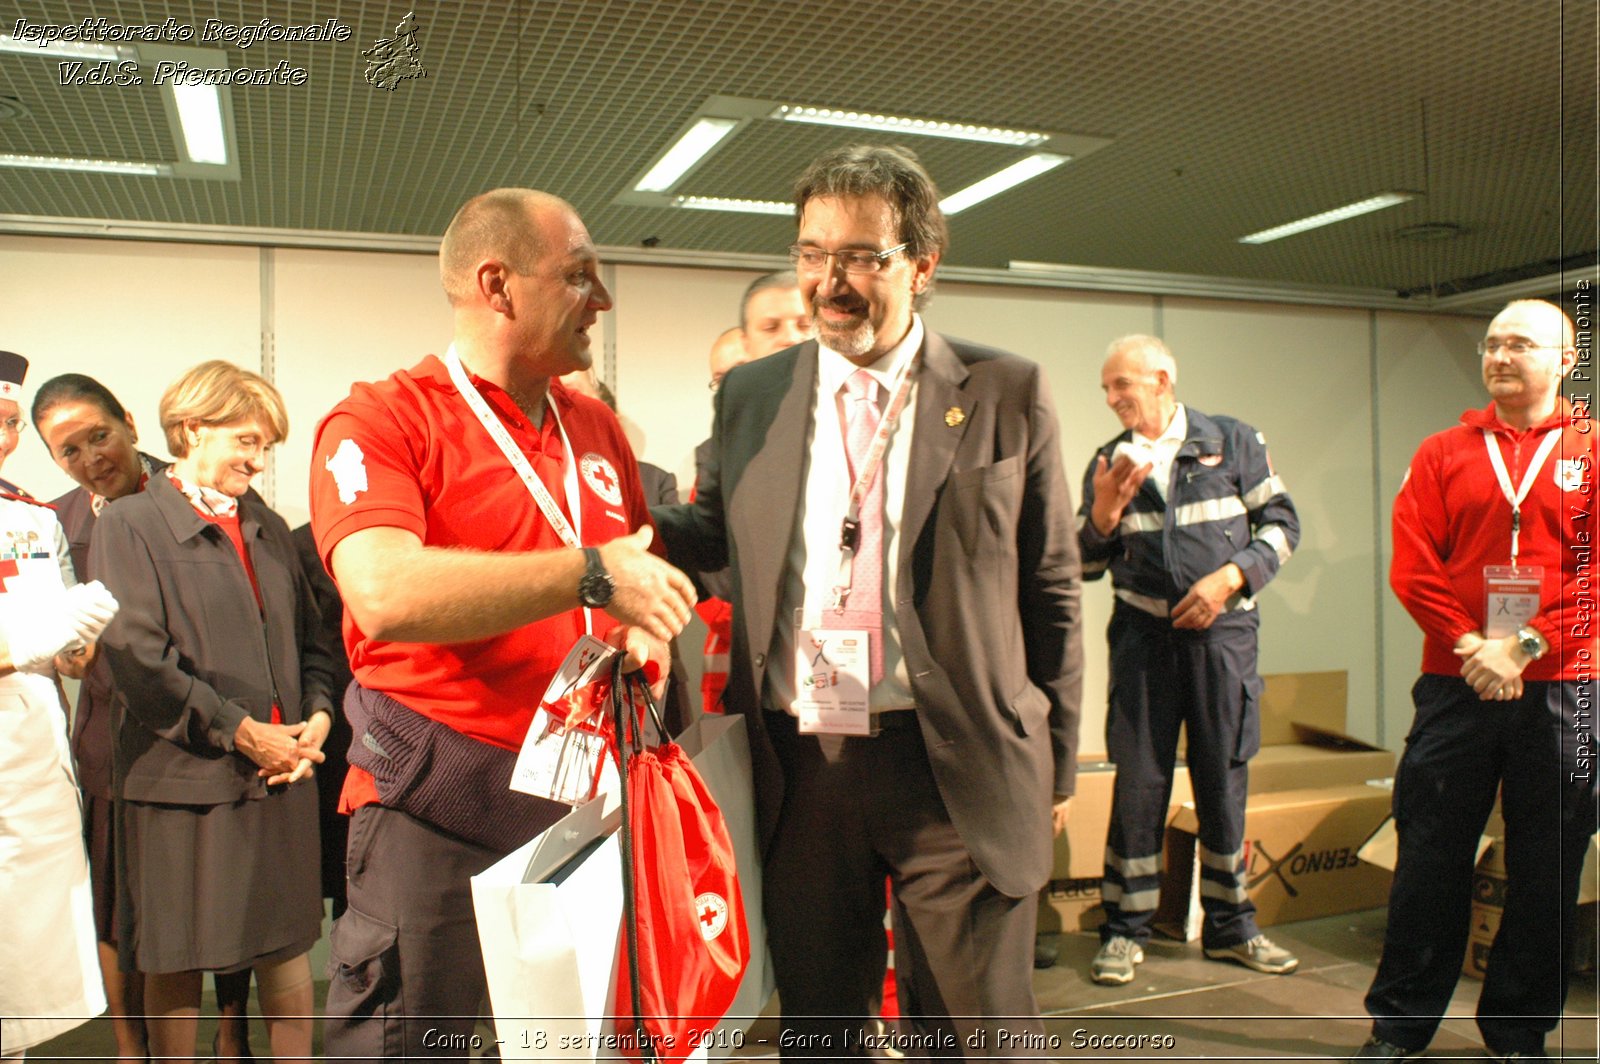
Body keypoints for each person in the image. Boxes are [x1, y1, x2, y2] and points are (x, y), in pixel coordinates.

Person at [654, 144, 1082, 1054]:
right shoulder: (754, 394)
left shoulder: (1006, 391)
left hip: (953, 761)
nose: (828, 282)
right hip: (803, 770)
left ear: (921, 266)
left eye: (860, 256)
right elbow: (710, 540)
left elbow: (1050, 590)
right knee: (821, 1033)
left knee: (980, 1037)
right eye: (812, 253)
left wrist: (1056, 757)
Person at [309, 188, 696, 1060]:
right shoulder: (381, 418)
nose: (603, 301)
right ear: (498, 284)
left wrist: (641, 630)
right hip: (432, 805)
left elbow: (628, 587)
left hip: (576, 809)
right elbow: (383, 591)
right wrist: (591, 572)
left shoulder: (595, 426)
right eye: (580, 277)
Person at [1350, 299, 1598, 1062]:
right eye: (1491, 343)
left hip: (1562, 687)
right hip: (1457, 682)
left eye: (1520, 344)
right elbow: (1413, 563)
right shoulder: (1442, 453)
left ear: (1567, 357)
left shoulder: (1594, 448)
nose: (1499, 355)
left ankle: (1520, 1032)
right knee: (1428, 854)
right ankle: (1399, 1025)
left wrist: (1523, 644)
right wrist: (1470, 645)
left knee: (1547, 865)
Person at [91, 361, 333, 1064]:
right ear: (191, 429)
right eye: (246, 441)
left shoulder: (268, 525)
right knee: (176, 953)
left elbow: (314, 641)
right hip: (180, 785)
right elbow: (139, 658)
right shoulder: (131, 525)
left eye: (266, 447)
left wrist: (315, 718)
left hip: (281, 774)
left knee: (287, 948)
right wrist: (242, 732)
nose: (258, 461)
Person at [32, 373, 259, 1064]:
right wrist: (66, 653)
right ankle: (131, 1047)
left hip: (204, 721)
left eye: (99, 436)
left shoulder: (197, 492)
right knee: (118, 901)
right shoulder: (55, 520)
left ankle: (232, 1034)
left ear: (129, 422)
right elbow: (51, 632)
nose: (91, 458)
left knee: (218, 896)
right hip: (110, 737)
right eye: (69, 451)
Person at [1076, 334, 1301, 985]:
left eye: (1123, 385)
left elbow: (1284, 526)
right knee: (1139, 786)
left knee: (1222, 784)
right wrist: (1101, 515)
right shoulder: (1106, 459)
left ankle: (1232, 928)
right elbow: (1085, 566)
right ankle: (1124, 930)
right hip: (1144, 646)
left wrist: (1230, 578)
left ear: (1163, 377)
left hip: (1221, 646)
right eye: (1107, 390)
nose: (1114, 399)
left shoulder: (1232, 442)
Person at [0, 350, 117, 1058]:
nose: (2, 435)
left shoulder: (33, 517)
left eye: (10, 422)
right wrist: (29, 643)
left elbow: (67, 653)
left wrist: (83, 641)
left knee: (27, 934)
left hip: (33, 748)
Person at [696, 274, 815, 716]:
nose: (790, 338)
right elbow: (710, 545)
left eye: (804, 324)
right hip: (764, 679)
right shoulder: (726, 449)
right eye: (771, 327)